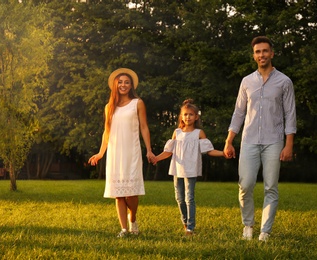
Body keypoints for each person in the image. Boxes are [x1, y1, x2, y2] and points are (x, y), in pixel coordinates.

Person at [224, 36, 296, 242]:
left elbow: (290, 114)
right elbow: (238, 113)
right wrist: (229, 140)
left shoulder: (284, 82)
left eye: (265, 51)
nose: (261, 55)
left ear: (272, 54)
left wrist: (288, 144)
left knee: (270, 186)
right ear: (254, 55)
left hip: (274, 141)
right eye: (258, 52)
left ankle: (265, 231)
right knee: (245, 185)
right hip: (249, 140)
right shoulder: (246, 81)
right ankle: (248, 225)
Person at [88, 68, 155, 238]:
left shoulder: (137, 103)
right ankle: (124, 229)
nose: (123, 85)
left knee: (131, 193)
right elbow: (106, 131)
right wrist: (101, 152)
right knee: (118, 193)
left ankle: (133, 218)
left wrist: (149, 150)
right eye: (120, 82)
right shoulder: (109, 107)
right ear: (115, 85)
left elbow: (144, 127)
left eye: (127, 82)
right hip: (115, 153)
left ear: (131, 85)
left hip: (131, 152)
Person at [152, 99, 225, 236]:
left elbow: (209, 150)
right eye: (185, 114)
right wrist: (157, 158)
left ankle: (190, 227)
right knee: (179, 198)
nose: (188, 117)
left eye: (191, 115)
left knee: (189, 198)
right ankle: (185, 222)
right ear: (181, 116)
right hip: (177, 169)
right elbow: (169, 151)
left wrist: (223, 153)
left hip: (191, 169)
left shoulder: (199, 133)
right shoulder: (177, 133)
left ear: (196, 117)